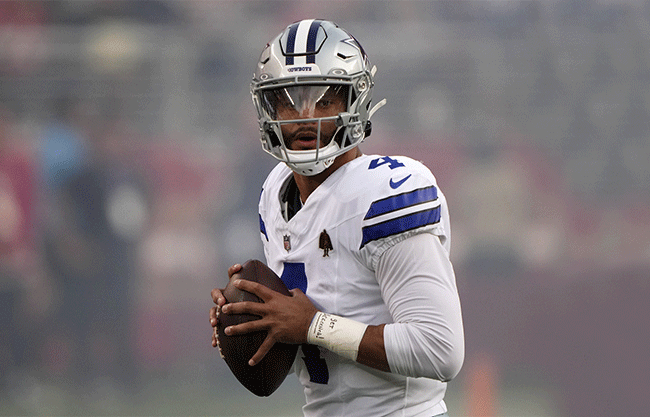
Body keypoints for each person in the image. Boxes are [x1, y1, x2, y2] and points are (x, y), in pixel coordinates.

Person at [209, 19, 464, 417]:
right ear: (268, 108)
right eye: (289, 101)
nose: (304, 116)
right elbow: (320, 353)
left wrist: (314, 326)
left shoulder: (387, 194)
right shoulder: (275, 193)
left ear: (354, 103)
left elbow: (440, 349)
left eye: (324, 101)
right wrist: (256, 322)